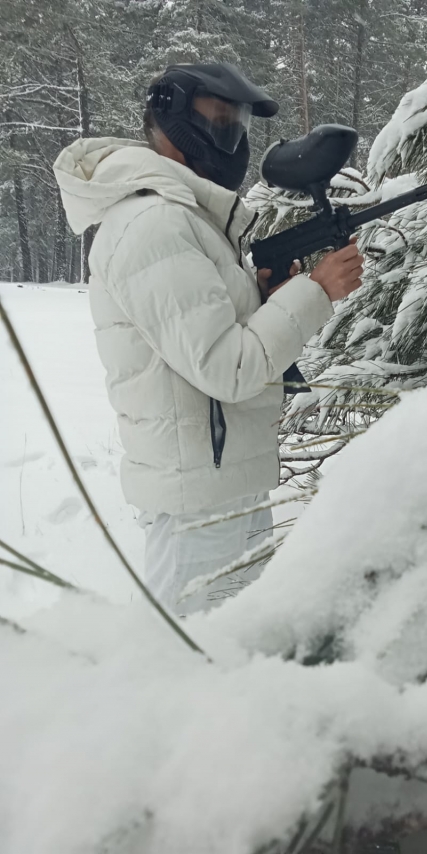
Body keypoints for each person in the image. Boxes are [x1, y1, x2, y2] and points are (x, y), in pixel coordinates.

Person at [53, 63, 364, 615]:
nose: (232, 135)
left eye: (237, 121)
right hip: (198, 499)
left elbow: (213, 337)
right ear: (173, 119)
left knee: (240, 661)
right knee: (188, 671)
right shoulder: (154, 223)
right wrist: (315, 292)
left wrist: (261, 294)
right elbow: (228, 368)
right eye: (219, 118)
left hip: (225, 479)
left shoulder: (184, 218)